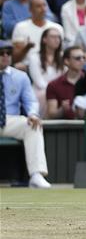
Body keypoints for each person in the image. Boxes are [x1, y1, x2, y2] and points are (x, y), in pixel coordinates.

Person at [0, 41, 52, 187]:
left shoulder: (21, 77)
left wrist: (33, 114)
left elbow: (30, 100)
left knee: (32, 125)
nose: (5, 56)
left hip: (10, 120)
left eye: (8, 53)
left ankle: (36, 175)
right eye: (1, 53)